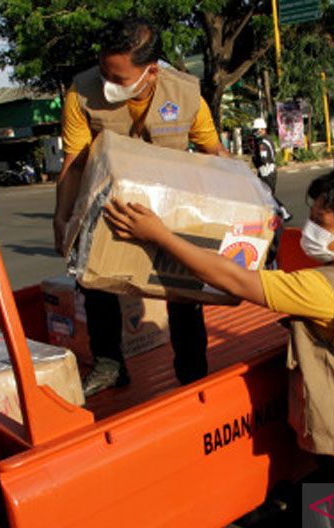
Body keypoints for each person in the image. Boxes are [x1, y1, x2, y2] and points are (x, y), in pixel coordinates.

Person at [103, 170, 334, 528]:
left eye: (320, 223)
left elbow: (232, 279)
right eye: (310, 218)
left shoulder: (322, 289)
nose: (310, 229)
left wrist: (159, 235)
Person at [53, 17, 230, 396]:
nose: (107, 84)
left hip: (171, 206)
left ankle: (192, 371)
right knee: (92, 276)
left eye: (117, 78)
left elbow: (214, 153)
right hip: (112, 206)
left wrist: (248, 200)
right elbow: (74, 162)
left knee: (184, 289)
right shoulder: (81, 92)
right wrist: (61, 216)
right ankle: (109, 364)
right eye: (103, 71)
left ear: (151, 71)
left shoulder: (184, 94)